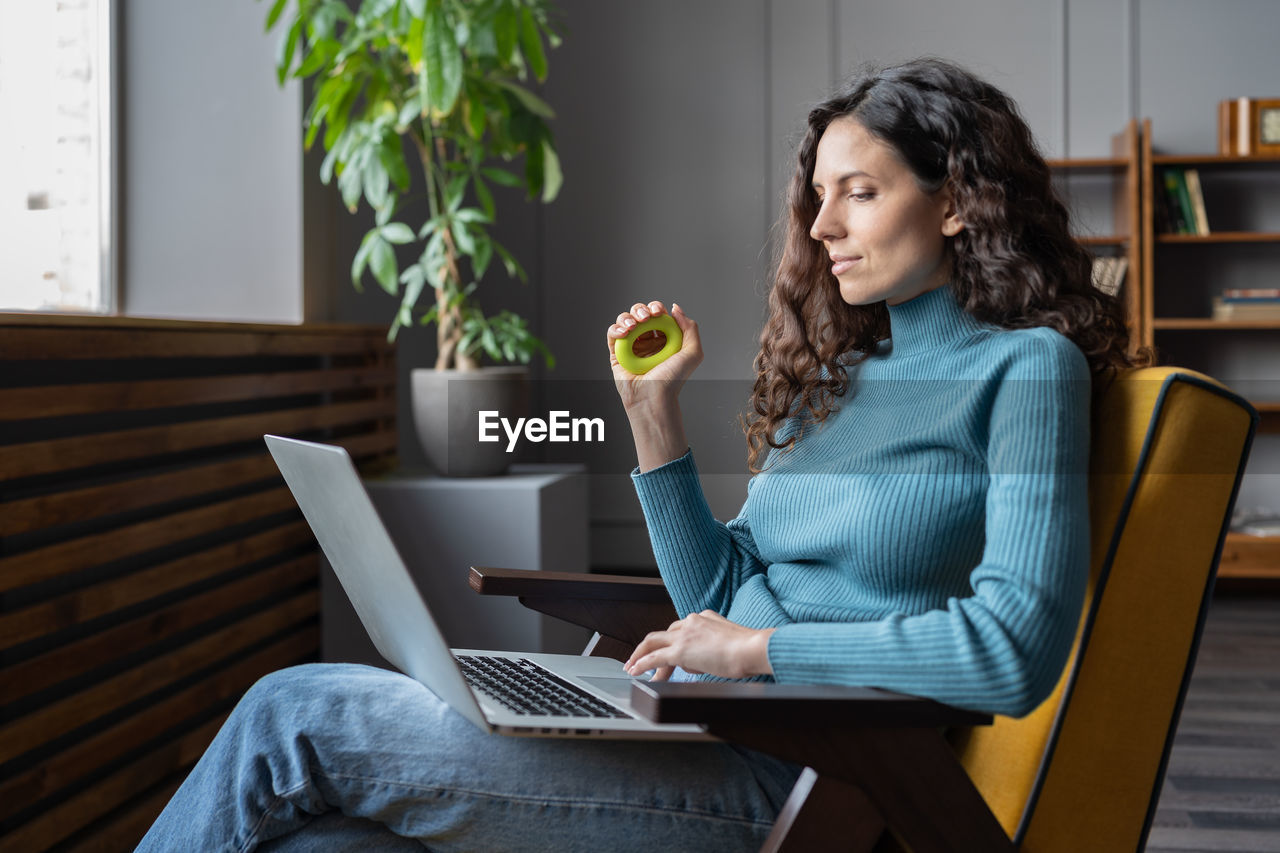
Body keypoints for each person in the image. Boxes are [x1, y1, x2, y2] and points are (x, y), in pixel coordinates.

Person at [136, 58, 1139, 852]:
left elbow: (1011, 647)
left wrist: (751, 652)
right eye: (818, 198)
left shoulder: (1024, 370)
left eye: (859, 193)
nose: (822, 225)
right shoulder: (846, 375)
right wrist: (648, 413)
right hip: (689, 726)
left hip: (801, 779)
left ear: (955, 201)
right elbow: (718, 580)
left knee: (290, 713)